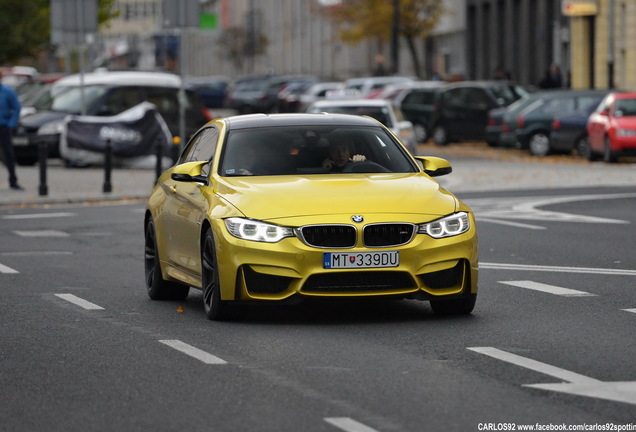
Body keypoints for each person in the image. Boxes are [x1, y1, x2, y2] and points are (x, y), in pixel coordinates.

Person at [0, 70, 23, 190]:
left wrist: (11, 124)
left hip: (3, 127)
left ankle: (13, 180)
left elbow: (16, 108)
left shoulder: (7, 92)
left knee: (8, 154)